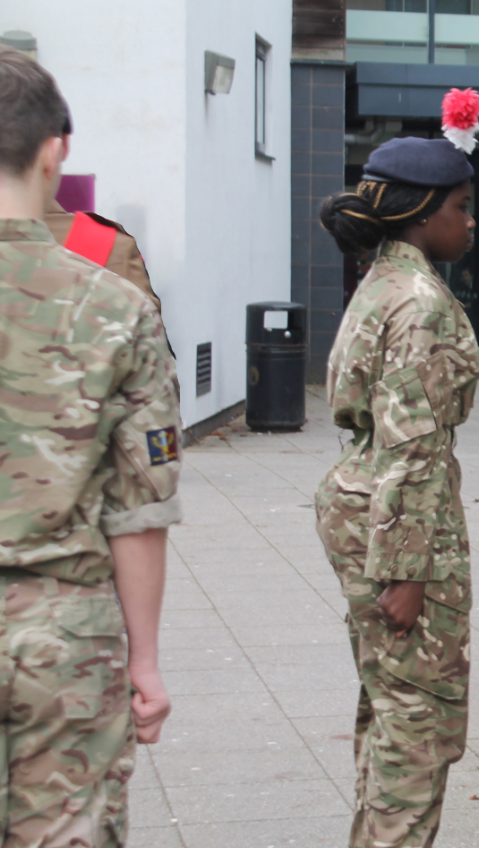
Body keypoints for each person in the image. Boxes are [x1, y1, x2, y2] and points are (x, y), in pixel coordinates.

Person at [0, 46, 180, 846]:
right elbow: (140, 507)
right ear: (54, 149)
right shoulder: (117, 308)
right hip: (64, 635)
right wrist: (145, 661)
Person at [314, 134, 479, 848]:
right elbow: (412, 448)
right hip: (398, 521)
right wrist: (407, 572)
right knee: (420, 718)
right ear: (421, 214)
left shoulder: (379, 280)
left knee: (389, 702)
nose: (471, 222)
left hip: (362, 503)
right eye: (461, 207)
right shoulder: (420, 303)